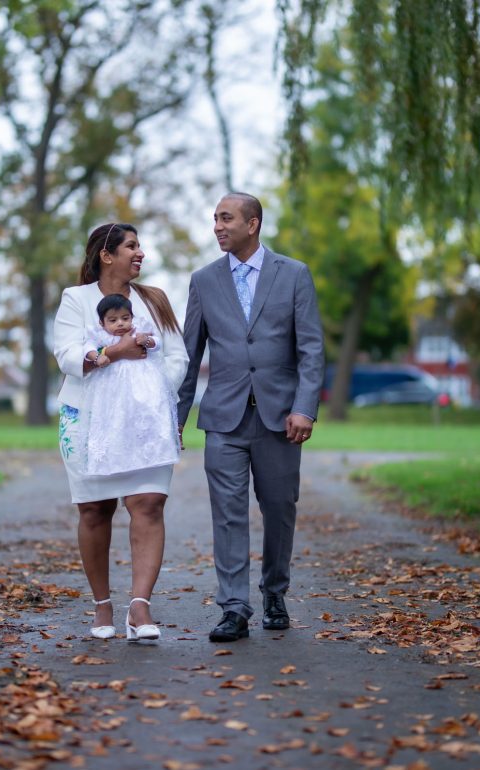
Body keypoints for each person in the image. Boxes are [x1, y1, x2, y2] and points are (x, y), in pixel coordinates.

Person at [177, 193, 324, 642]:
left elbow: (311, 348)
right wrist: (175, 418)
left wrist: (304, 407)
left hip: (281, 419)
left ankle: (274, 593)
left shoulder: (294, 274)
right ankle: (234, 608)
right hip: (224, 417)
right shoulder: (204, 280)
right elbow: (189, 355)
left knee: (279, 509)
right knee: (227, 513)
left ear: (253, 223)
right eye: (215, 219)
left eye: (226, 218)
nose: (217, 227)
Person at [53, 223, 188, 642]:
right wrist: (114, 352)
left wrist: (153, 398)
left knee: (148, 503)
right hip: (89, 419)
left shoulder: (155, 300)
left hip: (147, 421)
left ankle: (139, 606)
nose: (140, 252)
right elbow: (66, 354)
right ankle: (103, 606)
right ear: (106, 255)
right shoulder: (76, 299)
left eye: (140, 245)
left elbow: (177, 357)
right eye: (131, 246)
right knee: (95, 510)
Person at [79, 293, 179, 477]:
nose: (120, 324)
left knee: (146, 414)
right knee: (114, 418)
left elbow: (157, 342)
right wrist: (97, 357)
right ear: (102, 323)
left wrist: (146, 341)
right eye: (113, 320)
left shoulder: (138, 329)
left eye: (125, 318)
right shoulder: (99, 335)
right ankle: (114, 458)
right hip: (111, 385)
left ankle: (154, 451)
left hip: (142, 382)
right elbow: (88, 347)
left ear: (132, 317)